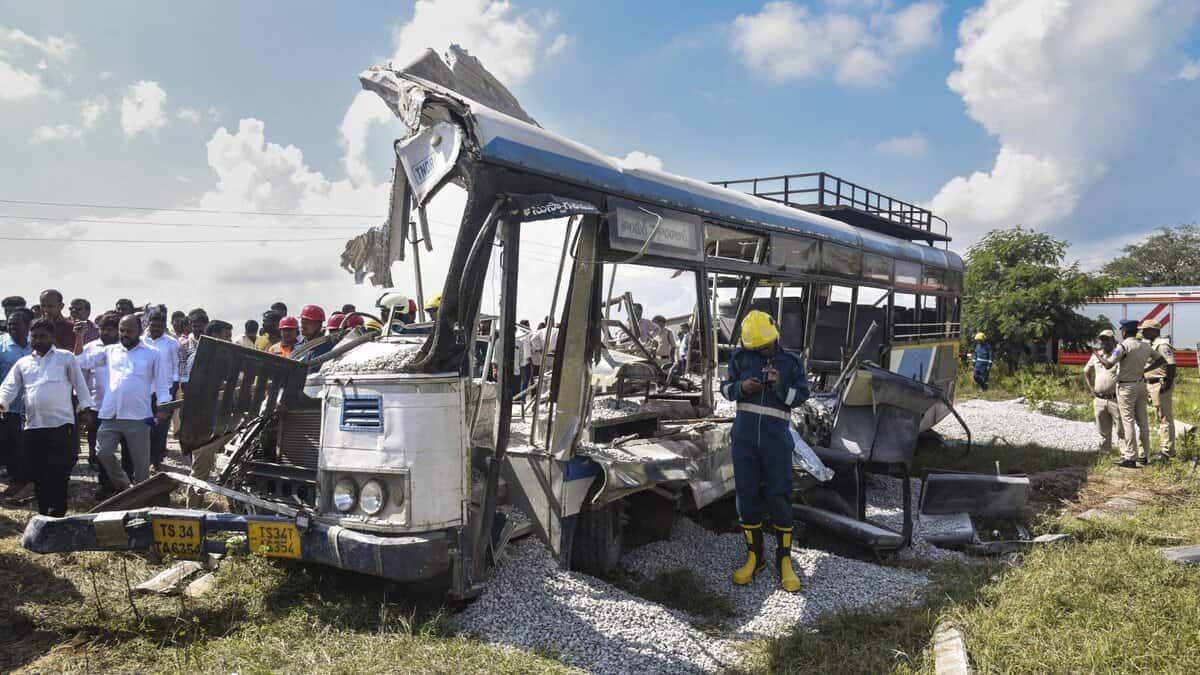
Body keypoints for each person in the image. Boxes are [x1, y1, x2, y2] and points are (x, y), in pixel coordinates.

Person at [720, 310, 808, 592]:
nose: (761, 351)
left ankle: (784, 560)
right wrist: (740, 388)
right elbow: (724, 388)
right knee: (746, 496)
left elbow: (801, 397)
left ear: (775, 337)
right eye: (756, 348)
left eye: (765, 346)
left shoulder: (792, 362)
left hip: (776, 441)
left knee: (779, 494)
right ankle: (754, 557)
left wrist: (779, 387)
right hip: (744, 439)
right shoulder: (740, 358)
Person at [0, 318, 95, 516]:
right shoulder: (23, 363)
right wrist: (2, 402)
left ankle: (58, 514)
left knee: (58, 472)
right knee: (38, 473)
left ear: (52, 337)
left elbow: (80, 385)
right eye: (34, 336)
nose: (38, 340)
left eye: (42, 336)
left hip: (61, 425)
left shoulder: (65, 358)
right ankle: (44, 514)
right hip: (34, 427)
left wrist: (86, 410)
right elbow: (9, 387)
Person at [78, 314, 172, 490]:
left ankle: (142, 500)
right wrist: (78, 337)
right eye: (122, 330)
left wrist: (163, 407)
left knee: (142, 466)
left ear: (139, 331)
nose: (124, 334)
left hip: (138, 416)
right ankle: (124, 487)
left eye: (129, 331)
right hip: (110, 413)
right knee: (103, 453)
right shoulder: (110, 351)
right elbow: (81, 362)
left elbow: (162, 384)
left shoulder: (152, 354)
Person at [79, 313, 132, 499]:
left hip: (124, 409)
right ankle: (106, 484)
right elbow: (82, 379)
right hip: (97, 408)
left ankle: (127, 485)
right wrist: (84, 407)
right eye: (103, 328)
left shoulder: (128, 350)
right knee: (100, 451)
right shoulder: (90, 349)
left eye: (110, 329)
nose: (106, 332)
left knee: (128, 450)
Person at [1093, 319, 1155, 468]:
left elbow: (1108, 365)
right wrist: (1145, 371)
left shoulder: (1123, 346)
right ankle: (1144, 455)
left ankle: (1130, 456)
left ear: (1124, 331)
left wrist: (1096, 354)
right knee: (1143, 422)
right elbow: (1161, 360)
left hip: (1127, 387)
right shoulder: (1145, 345)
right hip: (1141, 385)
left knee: (1128, 421)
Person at [0, 308, 33, 496]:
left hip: (30, 406)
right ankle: (14, 479)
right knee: (9, 444)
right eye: (9, 324)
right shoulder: (1, 345)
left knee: (24, 445)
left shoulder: (35, 344)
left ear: (27, 326)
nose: (11, 327)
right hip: (7, 406)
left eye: (16, 324)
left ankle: (24, 480)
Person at [145, 311, 180, 471]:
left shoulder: (171, 343)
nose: (155, 329)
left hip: (164, 392)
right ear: (148, 324)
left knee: (160, 426)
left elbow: (177, 367)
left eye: (159, 326)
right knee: (147, 425)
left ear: (164, 326)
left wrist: (173, 390)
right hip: (145, 391)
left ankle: (156, 460)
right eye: (153, 325)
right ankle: (146, 457)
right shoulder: (141, 341)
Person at [1140, 319, 1177, 463]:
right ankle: (1166, 449)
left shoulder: (1162, 345)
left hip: (1160, 384)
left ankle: (1167, 452)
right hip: (1153, 384)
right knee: (1160, 416)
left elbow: (1171, 364)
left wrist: (1167, 384)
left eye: (1145, 330)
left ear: (1153, 330)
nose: (1143, 332)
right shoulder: (1153, 345)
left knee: (1164, 417)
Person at [1083, 329, 1123, 454]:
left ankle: (1126, 455)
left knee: (1121, 429)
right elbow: (1086, 372)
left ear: (1113, 340)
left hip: (1115, 399)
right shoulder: (1096, 355)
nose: (1104, 342)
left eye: (1107, 339)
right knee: (1103, 430)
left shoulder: (1118, 353)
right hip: (1099, 399)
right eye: (1102, 339)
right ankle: (1105, 453)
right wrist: (1091, 389)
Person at [177, 308, 208, 392]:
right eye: (195, 326)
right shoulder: (184, 344)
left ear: (206, 325)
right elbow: (183, 367)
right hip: (191, 385)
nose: (197, 329)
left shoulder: (212, 342)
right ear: (190, 325)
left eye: (200, 326)